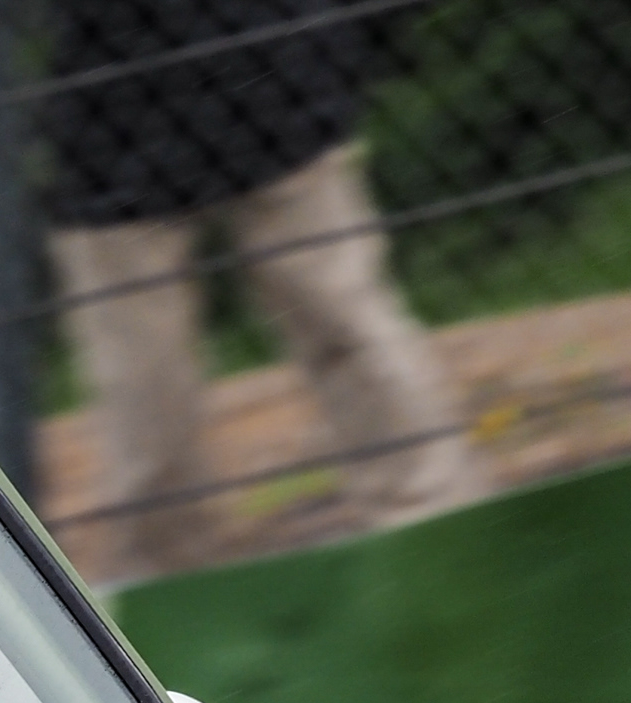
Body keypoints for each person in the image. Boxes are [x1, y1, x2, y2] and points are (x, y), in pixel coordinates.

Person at [37, 0, 487, 578]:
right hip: (175, 97)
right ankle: (436, 520)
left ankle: (440, 530)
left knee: (339, 331)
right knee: (154, 384)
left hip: (244, 81)